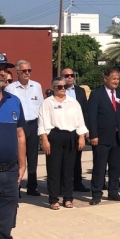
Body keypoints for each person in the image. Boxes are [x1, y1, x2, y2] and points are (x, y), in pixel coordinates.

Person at [38, 77, 88, 210]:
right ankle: (53, 199)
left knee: (68, 169)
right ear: (53, 88)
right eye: (59, 87)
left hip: (71, 136)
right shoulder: (47, 103)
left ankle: (68, 198)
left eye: (64, 87)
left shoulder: (73, 102)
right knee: (54, 169)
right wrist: (44, 140)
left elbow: (80, 121)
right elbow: (42, 123)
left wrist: (81, 137)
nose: (62, 89)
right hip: (54, 136)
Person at [0, 53, 27, 239]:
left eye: (5, 70)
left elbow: (20, 134)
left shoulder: (14, 101)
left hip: (9, 175)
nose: (3, 74)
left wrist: (22, 164)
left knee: (4, 228)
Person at [87, 68, 120, 205]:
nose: (116, 81)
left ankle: (113, 192)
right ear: (105, 79)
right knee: (100, 167)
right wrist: (93, 135)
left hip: (118, 137)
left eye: (118, 79)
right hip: (102, 137)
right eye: (113, 79)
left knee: (115, 166)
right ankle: (96, 193)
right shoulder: (96, 94)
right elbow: (91, 117)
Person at [5, 60, 42, 196]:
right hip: (18, 126)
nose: (27, 73)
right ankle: (17, 187)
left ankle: (32, 186)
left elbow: (40, 107)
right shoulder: (11, 88)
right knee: (17, 157)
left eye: (29, 71)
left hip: (33, 124)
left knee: (33, 157)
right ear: (17, 72)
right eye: (24, 71)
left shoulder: (37, 86)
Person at [60, 68, 90, 193]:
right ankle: (62, 185)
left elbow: (85, 111)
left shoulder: (80, 91)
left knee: (77, 158)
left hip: (77, 129)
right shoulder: (58, 90)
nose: (70, 77)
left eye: (72, 75)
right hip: (62, 129)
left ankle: (77, 182)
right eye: (66, 75)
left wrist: (86, 129)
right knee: (62, 158)